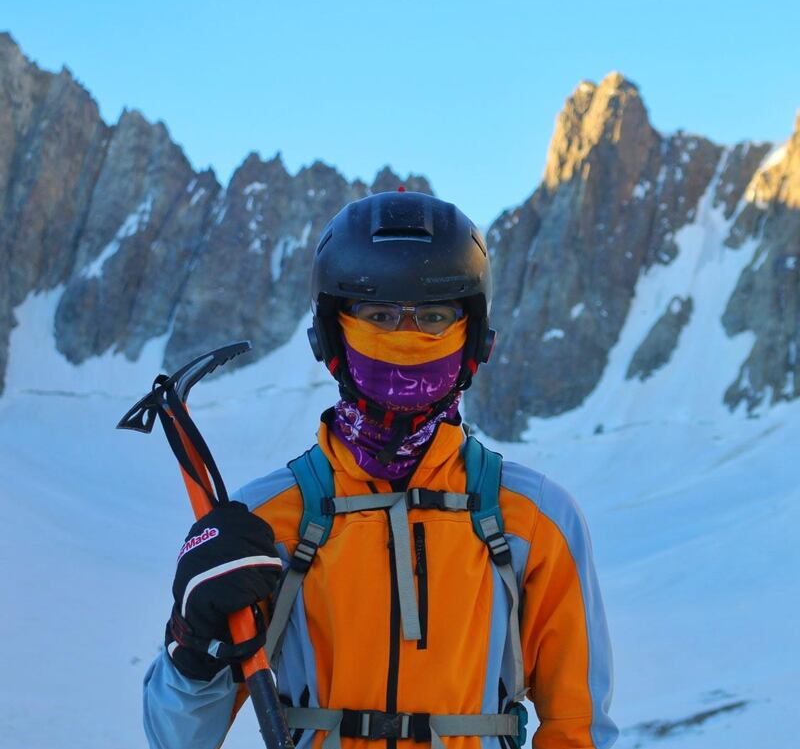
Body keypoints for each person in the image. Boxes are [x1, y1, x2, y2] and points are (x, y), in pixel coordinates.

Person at [143, 191, 618, 749]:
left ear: (475, 336)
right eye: (378, 315)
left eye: (436, 316)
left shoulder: (537, 520)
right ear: (331, 331)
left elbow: (577, 730)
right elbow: (176, 739)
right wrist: (193, 642)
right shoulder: (262, 524)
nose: (404, 337)